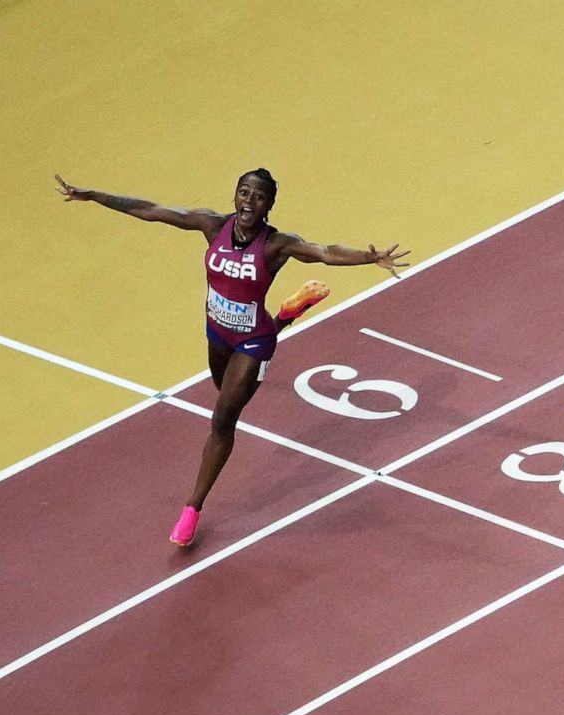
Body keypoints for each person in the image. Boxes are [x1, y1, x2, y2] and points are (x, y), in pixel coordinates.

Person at [55, 170, 409, 546]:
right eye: (244, 193)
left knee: (223, 419)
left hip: (253, 341)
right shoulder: (212, 226)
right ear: (234, 197)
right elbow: (152, 210)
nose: (249, 201)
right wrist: (94, 195)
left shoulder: (276, 246)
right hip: (217, 332)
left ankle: (192, 509)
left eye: (258, 197)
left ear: (269, 206)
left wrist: (366, 258)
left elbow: (324, 252)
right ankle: (287, 314)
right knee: (221, 389)